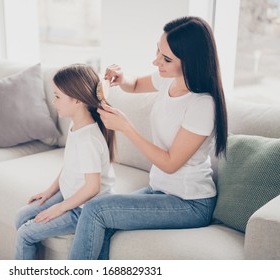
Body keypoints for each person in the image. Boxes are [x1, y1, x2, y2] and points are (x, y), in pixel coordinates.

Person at [68, 16, 228, 260]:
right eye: (158, 51)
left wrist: (127, 128)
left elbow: (170, 163)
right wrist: (121, 79)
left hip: (190, 203)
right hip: (161, 190)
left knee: (95, 210)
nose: (156, 62)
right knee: (102, 217)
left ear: (190, 61)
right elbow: (134, 85)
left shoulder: (202, 105)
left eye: (166, 59)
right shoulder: (168, 80)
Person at [14, 63, 116, 259]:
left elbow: (92, 188)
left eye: (58, 97)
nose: (54, 102)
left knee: (25, 234)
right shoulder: (76, 126)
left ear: (77, 100)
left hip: (84, 209)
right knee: (21, 216)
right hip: (70, 194)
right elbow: (70, 166)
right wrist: (49, 191)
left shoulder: (88, 139)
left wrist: (57, 209)